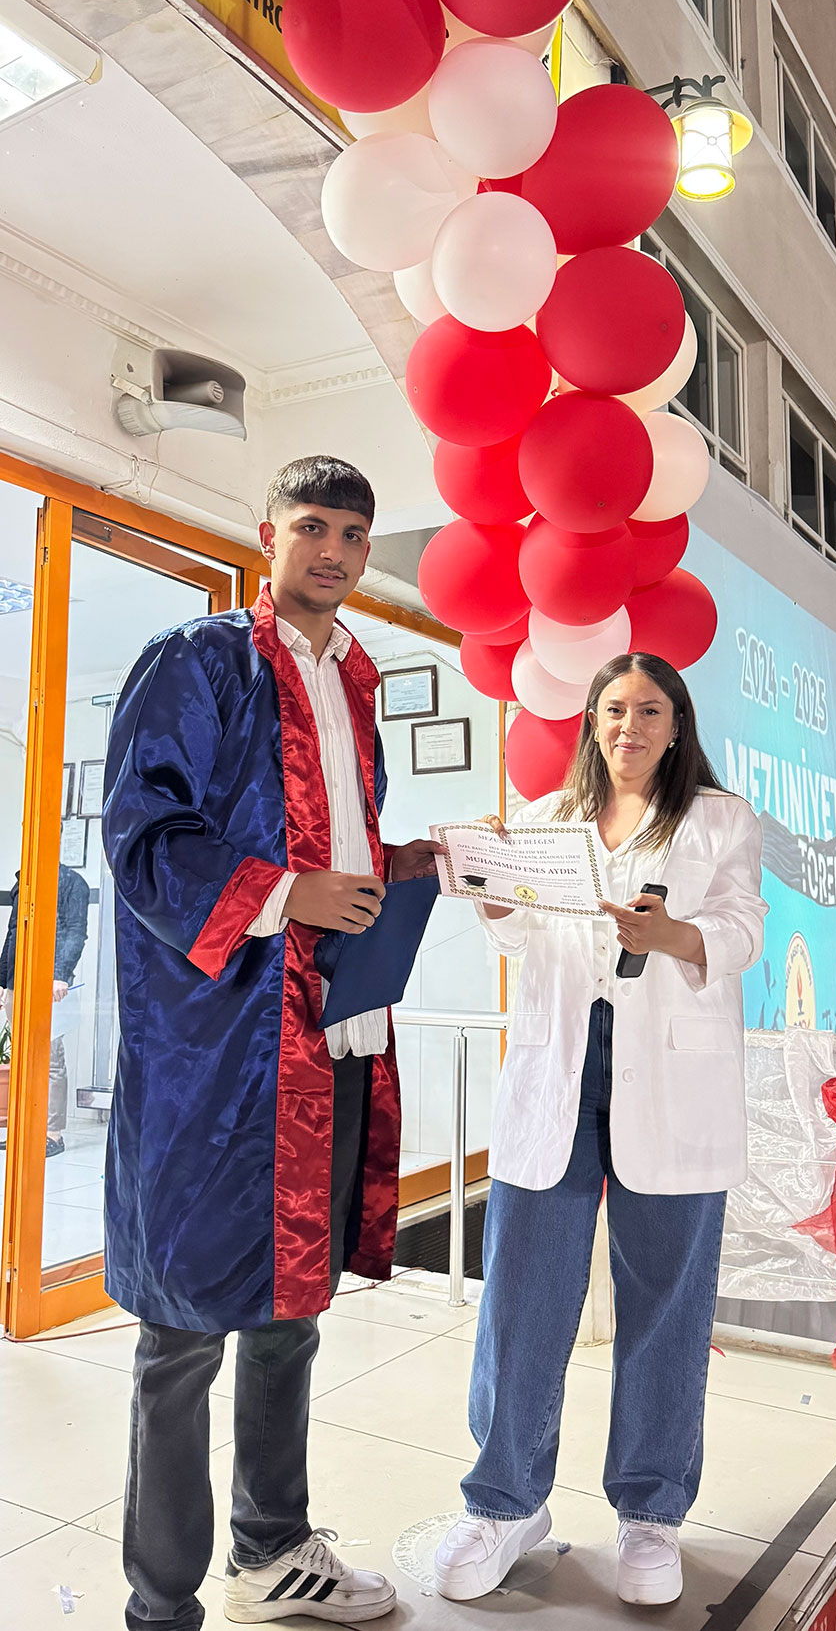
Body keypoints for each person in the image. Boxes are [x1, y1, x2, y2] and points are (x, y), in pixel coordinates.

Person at [102, 456, 440, 1631]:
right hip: (220, 1054)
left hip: (328, 1035)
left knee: (292, 1309)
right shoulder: (199, 662)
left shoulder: (354, 681)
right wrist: (290, 892)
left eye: (352, 532)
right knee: (183, 1334)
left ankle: (272, 1550)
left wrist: (397, 864)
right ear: (268, 537)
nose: (333, 551)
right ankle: (160, 1602)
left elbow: (335, 844)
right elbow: (146, 835)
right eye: (312, 527)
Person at [434, 652, 767, 1609]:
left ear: (677, 724)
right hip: (559, 1074)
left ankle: (651, 1511)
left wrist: (672, 935)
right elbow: (518, 935)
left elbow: (742, 927)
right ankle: (504, 1502)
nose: (631, 725)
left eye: (650, 710)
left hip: (671, 1080)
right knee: (523, 1292)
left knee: (666, 1300)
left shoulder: (720, 819)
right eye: (615, 709)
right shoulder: (545, 820)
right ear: (591, 720)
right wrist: (494, 898)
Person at [0, 857, 89, 1158]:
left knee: (51, 1060)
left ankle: (52, 1135)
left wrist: (60, 974)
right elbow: (13, 933)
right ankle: (23, 1129)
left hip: (49, 982)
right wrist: (1, 979)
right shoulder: (22, 883)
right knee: (22, 1059)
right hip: (17, 982)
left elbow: (75, 932)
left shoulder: (72, 883)